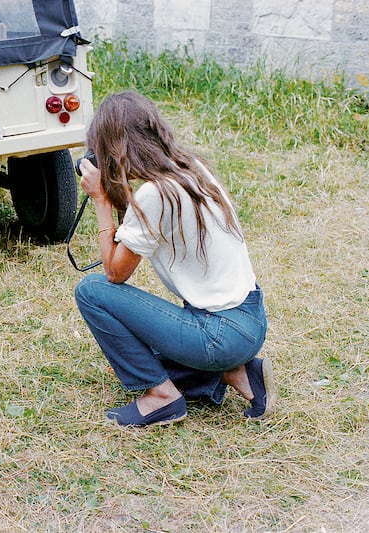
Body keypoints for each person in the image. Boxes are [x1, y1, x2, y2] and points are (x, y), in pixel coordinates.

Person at [74, 92, 272, 427]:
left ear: (113, 148)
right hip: (249, 321)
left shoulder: (155, 195)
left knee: (91, 290)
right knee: (142, 360)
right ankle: (237, 373)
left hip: (219, 333)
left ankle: (161, 397)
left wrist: (101, 201)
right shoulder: (192, 170)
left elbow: (114, 272)